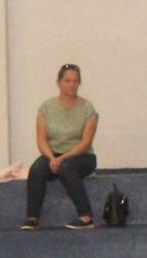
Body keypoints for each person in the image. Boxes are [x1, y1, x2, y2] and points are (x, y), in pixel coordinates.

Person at [21, 64, 99, 231]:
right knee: (37, 169)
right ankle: (32, 217)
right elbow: (41, 140)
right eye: (68, 81)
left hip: (82, 156)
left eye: (76, 81)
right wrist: (51, 158)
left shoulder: (88, 108)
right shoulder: (46, 108)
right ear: (59, 83)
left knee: (66, 168)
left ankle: (86, 216)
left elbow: (86, 142)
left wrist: (61, 158)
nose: (72, 84)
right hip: (53, 154)